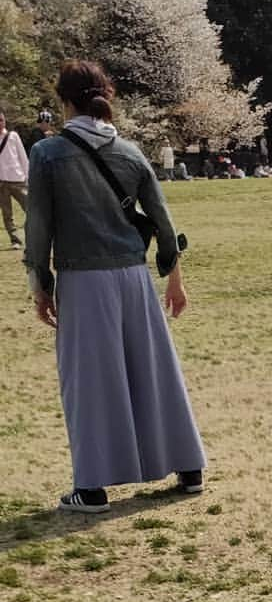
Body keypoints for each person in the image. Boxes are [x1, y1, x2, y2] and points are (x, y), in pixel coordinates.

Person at [23, 60, 205, 513]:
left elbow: (38, 229)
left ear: (64, 101)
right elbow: (164, 223)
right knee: (156, 371)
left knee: (89, 380)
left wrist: (39, 285)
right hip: (135, 277)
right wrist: (175, 280)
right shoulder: (129, 150)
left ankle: (92, 487)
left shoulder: (47, 154)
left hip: (83, 278)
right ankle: (189, 468)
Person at [0, 109, 29, 248]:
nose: (0, 123)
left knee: (30, 207)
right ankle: (15, 239)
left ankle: (34, 233)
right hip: (1, 181)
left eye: (1, 120)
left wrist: (28, 176)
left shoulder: (13, 136)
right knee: (7, 213)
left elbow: (22, 156)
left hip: (17, 178)